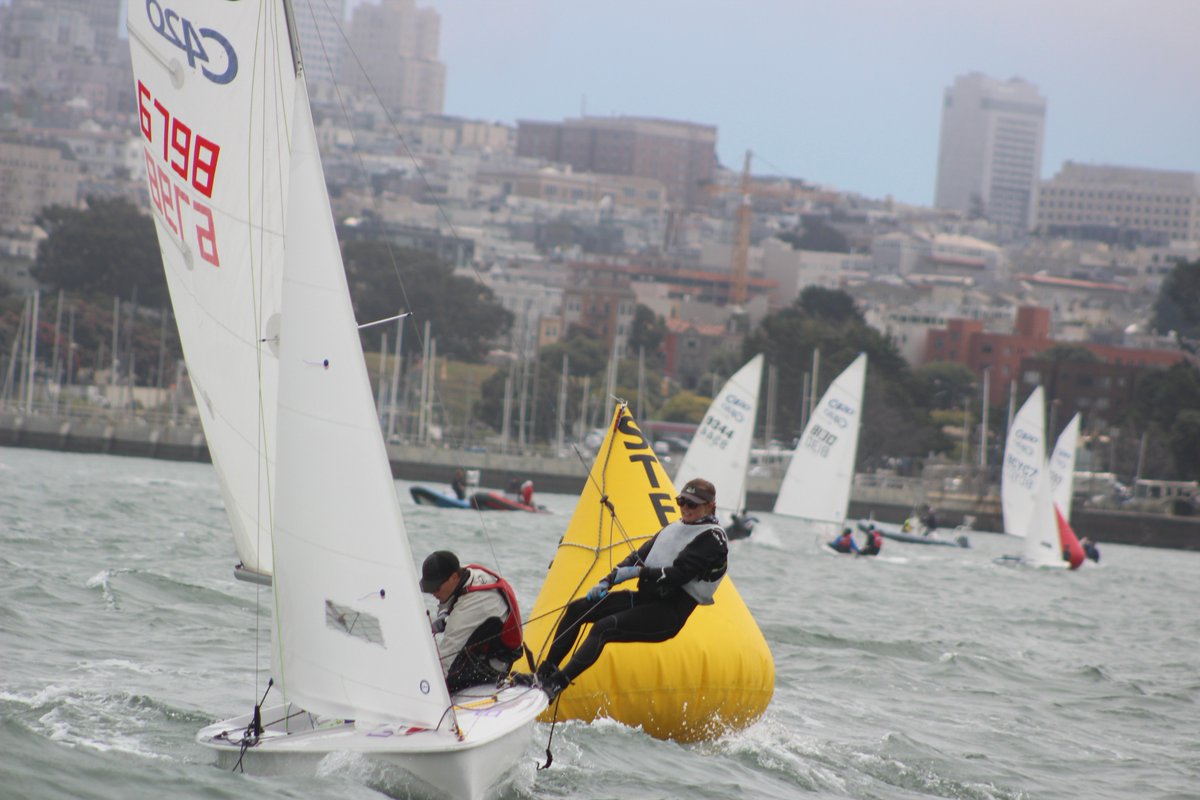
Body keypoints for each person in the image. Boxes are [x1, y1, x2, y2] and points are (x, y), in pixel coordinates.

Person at [528, 478, 729, 702]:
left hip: (667, 614)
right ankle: (543, 674)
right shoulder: (674, 527)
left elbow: (678, 575)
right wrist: (607, 581)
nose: (685, 508)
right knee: (577, 609)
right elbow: (637, 558)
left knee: (603, 628)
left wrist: (638, 574)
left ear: (711, 506)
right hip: (644, 600)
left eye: (692, 504)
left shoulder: (713, 538)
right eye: (682, 501)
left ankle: (557, 684)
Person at [420, 550, 524, 694]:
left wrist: (424, 691)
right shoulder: (467, 573)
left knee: (443, 680)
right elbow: (449, 604)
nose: (433, 593)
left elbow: (445, 661)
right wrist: (443, 619)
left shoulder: (470, 608)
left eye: (436, 588)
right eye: (429, 589)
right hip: (477, 643)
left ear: (454, 577)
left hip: (491, 667)